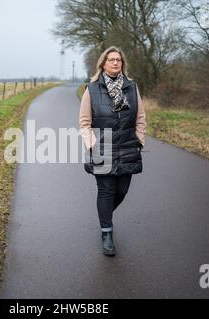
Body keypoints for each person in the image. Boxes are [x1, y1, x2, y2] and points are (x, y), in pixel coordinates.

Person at [79, 46, 146, 256]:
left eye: (118, 60)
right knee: (106, 191)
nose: (115, 63)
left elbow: (141, 117)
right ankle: (106, 232)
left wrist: (139, 140)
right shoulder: (92, 89)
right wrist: (92, 145)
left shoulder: (132, 87)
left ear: (122, 64)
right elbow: (84, 123)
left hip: (128, 146)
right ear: (103, 64)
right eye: (111, 60)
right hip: (103, 147)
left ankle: (104, 214)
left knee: (121, 191)